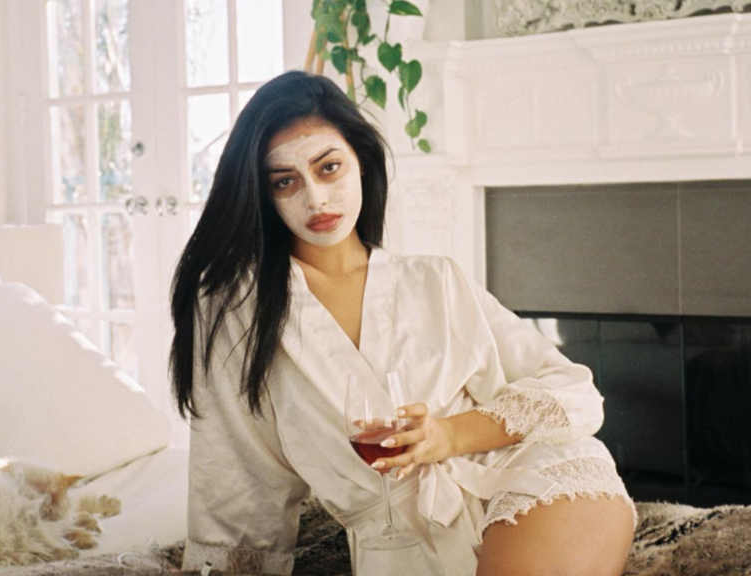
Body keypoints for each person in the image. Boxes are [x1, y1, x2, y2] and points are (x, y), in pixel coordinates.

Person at [168, 70, 637, 576]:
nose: (316, 199)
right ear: (265, 195)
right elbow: (237, 480)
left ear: (362, 163)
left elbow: (575, 393)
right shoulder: (238, 313)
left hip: (537, 484)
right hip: (395, 545)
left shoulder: (436, 280)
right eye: (286, 181)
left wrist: (448, 435)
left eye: (329, 168)